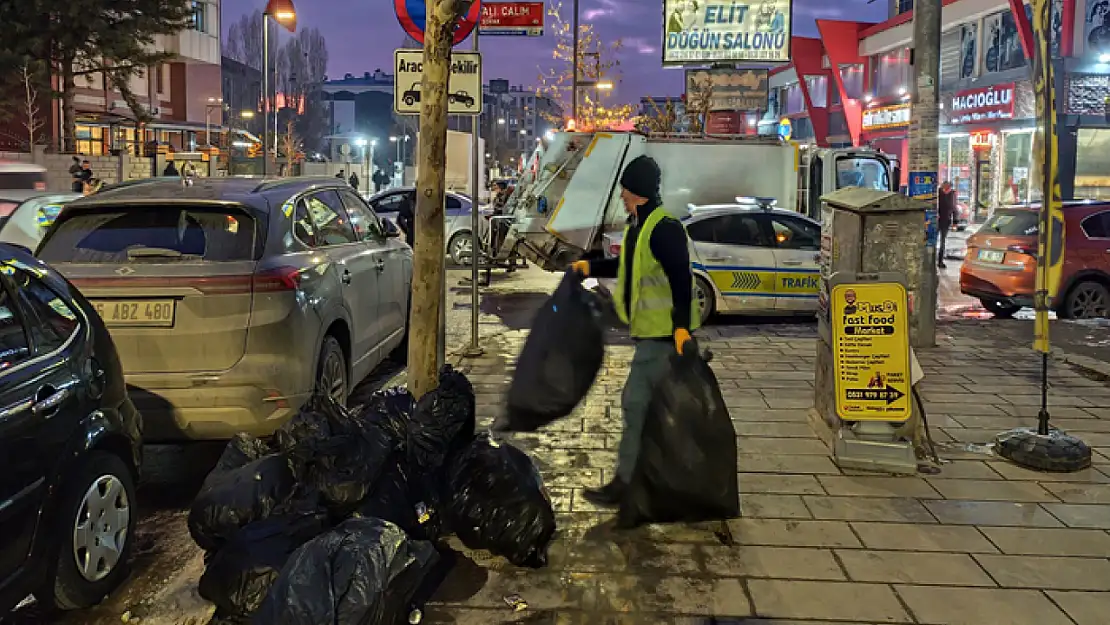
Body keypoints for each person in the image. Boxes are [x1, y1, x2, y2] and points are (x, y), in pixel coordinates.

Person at [569, 155, 700, 506]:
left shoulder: (664, 228)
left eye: (625, 190)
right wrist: (589, 266)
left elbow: (681, 281)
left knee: (637, 404)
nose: (622, 196)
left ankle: (629, 483)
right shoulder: (638, 227)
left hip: (664, 340)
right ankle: (656, 481)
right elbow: (624, 264)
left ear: (638, 191)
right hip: (648, 335)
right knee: (658, 411)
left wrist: (682, 329)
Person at [937, 181, 955, 269]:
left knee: (942, 241)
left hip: (946, 221)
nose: (948, 188)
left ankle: (940, 261)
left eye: (949, 187)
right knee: (932, 240)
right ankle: (932, 260)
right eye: (947, 187)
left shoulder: (952, 194)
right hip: (937, 219)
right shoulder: (938, 193)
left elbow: (953, 207)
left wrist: (955, 221)